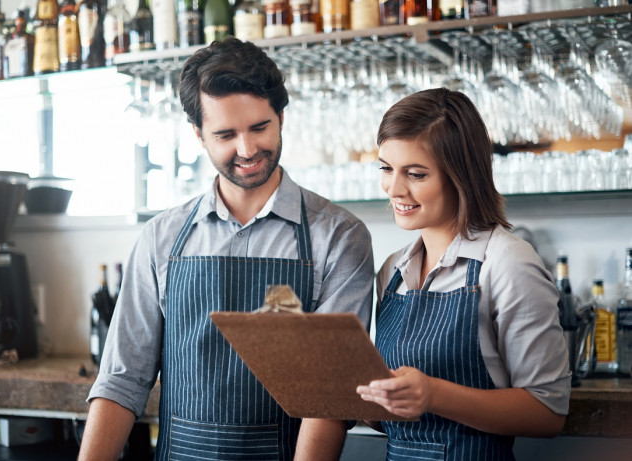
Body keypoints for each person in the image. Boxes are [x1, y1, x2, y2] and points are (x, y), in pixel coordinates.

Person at [78, 37, 374, 461]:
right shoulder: (162, 237)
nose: (247, 150)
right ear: (198, 135)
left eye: (259, 128)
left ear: (281, 118)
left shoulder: (339, 236)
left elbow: (330, 397)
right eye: (225, 134)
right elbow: (123, 379)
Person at [355, 88, 571, 460]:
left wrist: (434, 395)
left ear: (461, 175)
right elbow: (392, 417)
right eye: (386, 168)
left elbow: (547, 413)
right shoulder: (392, 270)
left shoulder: (507, 262)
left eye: (416, 174)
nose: (395, 188)